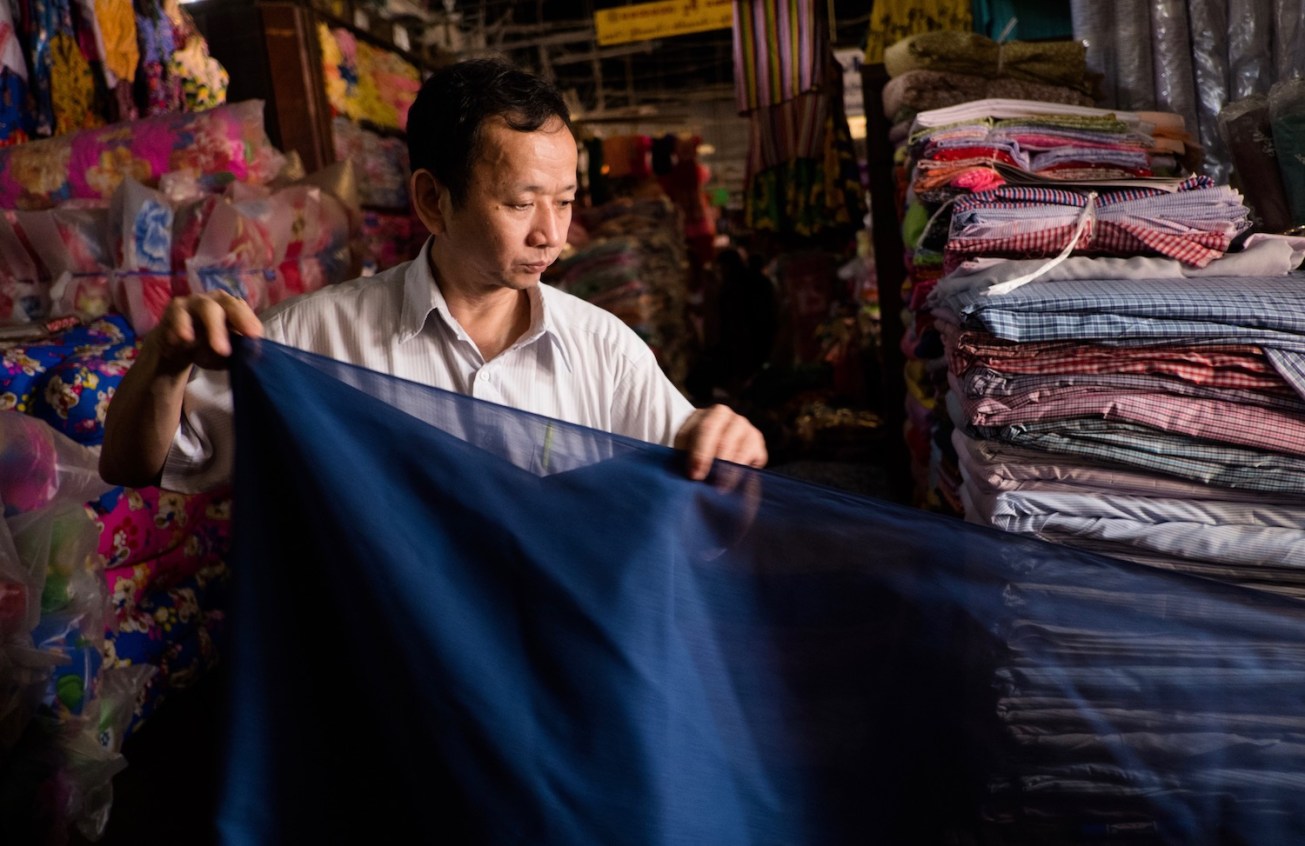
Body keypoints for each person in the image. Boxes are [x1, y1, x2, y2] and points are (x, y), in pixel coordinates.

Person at [99, 58, 767, 493]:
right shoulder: (310, 339)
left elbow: (703, 479)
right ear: (430, 200)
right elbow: (137, 467)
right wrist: (163, 362)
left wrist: (726, 442)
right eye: (518, 202)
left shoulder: (604, 350)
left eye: (563, 202)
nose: (550, 233)